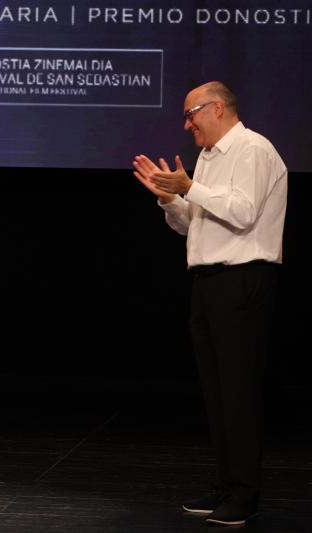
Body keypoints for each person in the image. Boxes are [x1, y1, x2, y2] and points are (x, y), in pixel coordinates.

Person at [133, 81, 287, 527]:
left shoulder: (253, 149)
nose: (186, 123)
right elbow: (193, 226)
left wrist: (191, 187)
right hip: (208, 282)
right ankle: (226, 485)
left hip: (242, 281)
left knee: (239, 391)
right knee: (217, 391)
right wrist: (171, 200)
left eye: (191, 113)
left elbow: (242, 212)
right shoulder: (206, 158)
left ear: (217, 108)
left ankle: (245, 493)